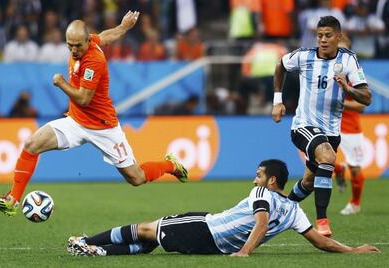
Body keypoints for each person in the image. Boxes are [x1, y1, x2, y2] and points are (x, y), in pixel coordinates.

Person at [0, 11, 188, 217]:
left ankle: (171, 165)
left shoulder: (94, 60)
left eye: (77, 46)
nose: (73, 50)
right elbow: (107, 36)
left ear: (88, 41)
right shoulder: (88, 42)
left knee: (137, 178)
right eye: (69, 45)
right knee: (31, 145)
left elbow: (83, 99)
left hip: (103, 127)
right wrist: (124, 26)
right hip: (76, 122)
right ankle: (12, 200)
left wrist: (61, 83)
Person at [66, 159, 379, 257]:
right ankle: (98, 252)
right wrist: (353, 251)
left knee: (147, 229)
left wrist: (245, 252)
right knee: (149, 243)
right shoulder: (294, 211)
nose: (253, 177)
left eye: (258, 174)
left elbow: (260, 222)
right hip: (207, 221)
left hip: (208, 232)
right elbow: (319, 240)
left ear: (270, 180)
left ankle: (87, 241)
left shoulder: (263, 195)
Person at [271, 16, 371, 237]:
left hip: (331, 131)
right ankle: (322, 222)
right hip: (303, 126)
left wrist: (348, 88)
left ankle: (281, 210)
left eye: (327, 36)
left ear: (338, 36)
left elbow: (366, 98)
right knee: (327, 156)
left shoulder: (349, 60)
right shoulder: (304, 55)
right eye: (319, 36)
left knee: (309, 181)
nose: (323, 40)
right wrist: (278, 101)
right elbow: (280, 65)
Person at [333, 35, 366, 216]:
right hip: (330, 125)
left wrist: (341, 103)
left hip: (350, 128)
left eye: (345, 51)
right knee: (316, 158)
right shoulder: (325, 72)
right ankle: (338, 169)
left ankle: (355, 203)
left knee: (355, 169)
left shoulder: (354, 76)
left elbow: (361, 106)